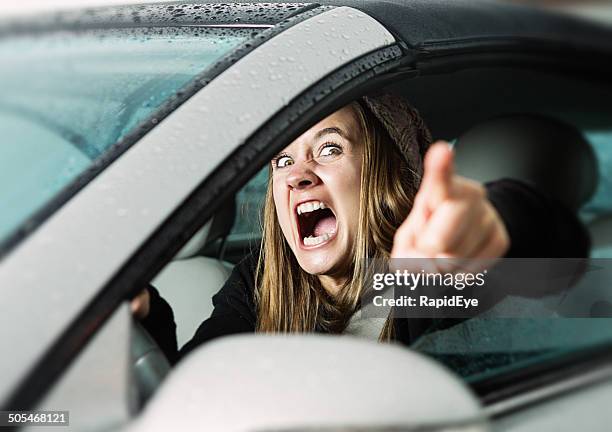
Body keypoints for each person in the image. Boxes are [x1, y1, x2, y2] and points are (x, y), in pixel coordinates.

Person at [134, 94, 589, 364]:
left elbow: (560, 253)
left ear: (385, 175)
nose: (297, 175)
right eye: (283, 160)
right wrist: (148, 316)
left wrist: (496, 220)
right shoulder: (262, 278)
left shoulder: (428, 277)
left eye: (329, 149)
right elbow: (194, 393)